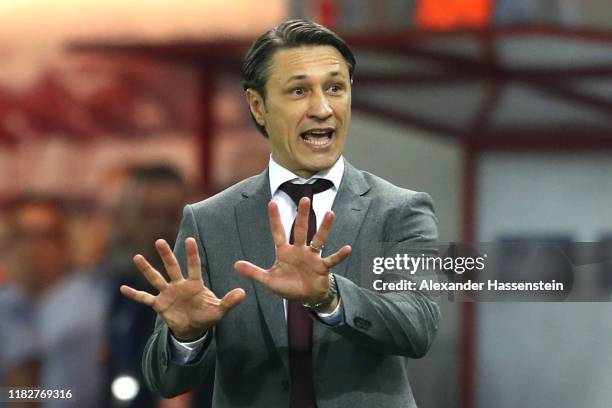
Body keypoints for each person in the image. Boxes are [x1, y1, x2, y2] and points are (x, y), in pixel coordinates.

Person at [121, 19, 440, 408]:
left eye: (335, 88)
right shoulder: (210, 221)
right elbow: (166, 381)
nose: (322, 109)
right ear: (258, 106)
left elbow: (418, 328)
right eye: (299, 90)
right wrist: (186, 337)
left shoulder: (401, 210)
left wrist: (329, 297)